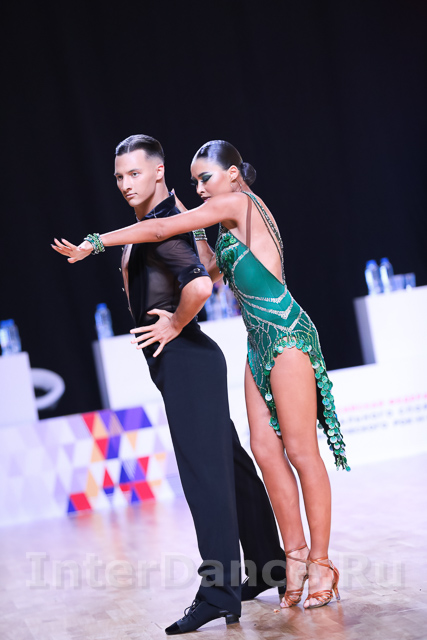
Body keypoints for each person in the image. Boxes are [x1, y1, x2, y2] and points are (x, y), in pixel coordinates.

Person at [54, 138, 350, 612]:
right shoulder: (225, 221)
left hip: (286, 336)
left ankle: (321, 563)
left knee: (300, 452)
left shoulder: (238, 203)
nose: (199, 189)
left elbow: (162, 227)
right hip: (258, 342)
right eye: (194, 182)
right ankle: (292, 559)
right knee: (264, 452)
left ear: (233, 173)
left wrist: (97, 242)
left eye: (205, 179)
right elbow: (203, 267)